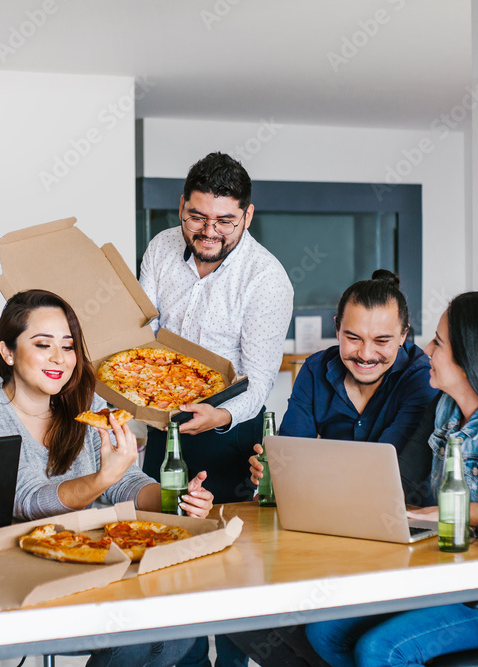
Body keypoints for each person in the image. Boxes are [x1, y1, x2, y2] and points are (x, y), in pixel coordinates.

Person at [234, 291, 478, 666]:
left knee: (381, 649)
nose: (427, 350)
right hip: (461, 574)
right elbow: (397, 478)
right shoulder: (443, 411)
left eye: (439, 343)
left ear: (470, 359)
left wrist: (442, 511)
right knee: (324, 632)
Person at [0, 289, 213, 667]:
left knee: (179, 634)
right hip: (19, 579)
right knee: (130, 640)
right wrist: (100, 479)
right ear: (7, 353)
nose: (60, 358)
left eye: (68, 346)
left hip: (96, 564)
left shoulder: (86, 406)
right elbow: (27, 503)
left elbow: (127, 484)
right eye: (43, 345)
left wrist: (177, 498)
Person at [138, 152, 293, 667]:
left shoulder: (267, 280)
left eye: (225, 221)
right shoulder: (161, 248)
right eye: (197, 217)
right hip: (165, 423)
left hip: (230, 430)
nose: (208, 231)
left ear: (247, 216)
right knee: (163, 555)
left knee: (229, 572)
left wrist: (218, 414)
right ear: (182, 206)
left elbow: (259, 379)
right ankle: (175, 656)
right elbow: (143, 330)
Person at [248, 270, 438, 484]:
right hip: (329, 503)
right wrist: (274, 466)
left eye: (382, 341)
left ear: (403, 335)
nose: (366, 355)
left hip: (404, 511)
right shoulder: (315, 369)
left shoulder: (422, 378)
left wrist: (303, 465)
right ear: (338, 329)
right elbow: (292, 453)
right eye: (354, 338)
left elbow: (385, 468)